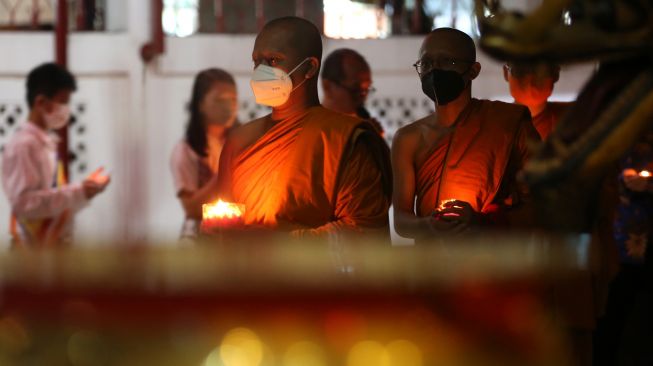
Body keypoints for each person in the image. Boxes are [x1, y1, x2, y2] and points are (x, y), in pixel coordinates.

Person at [216, 16, 391, 238]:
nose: (260, 71)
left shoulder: (344, 139)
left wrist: (280, 245)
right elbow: (222, 217)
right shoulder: (239, 141)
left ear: (309, 67)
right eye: (256, 62)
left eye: (272, 61)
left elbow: (364, 230)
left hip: (313, 272)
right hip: (245, 271)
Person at [392, 28, 539, 242]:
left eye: (446, 62)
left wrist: (484, 223)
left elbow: (541, 203)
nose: (434, 70)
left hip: (490, 264)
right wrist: (429, 225)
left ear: (473, 70)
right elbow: (401, 220)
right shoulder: (407, 139)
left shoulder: (507, 124)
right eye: (426, 63)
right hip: (431, 267)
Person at [1, 62, 110, 247]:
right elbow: (24, 204)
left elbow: (51, 198)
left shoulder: (45, 142)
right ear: (41, 102)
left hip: (51, 247)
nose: (66, 109)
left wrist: (84, 192)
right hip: (31, 253)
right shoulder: (22, 146)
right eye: (63, 101)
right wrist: (77, 192)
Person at [170, 68, 239, 239]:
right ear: (200, 104)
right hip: (200, 240)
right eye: (219, 100)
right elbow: (191, 208)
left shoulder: (241, 142)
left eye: (233, 100)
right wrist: (225, 171)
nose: (228, 107)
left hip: (237, 238)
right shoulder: (186, 150)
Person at [321, 48, 384, 136]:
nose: (363, 98)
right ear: (327, 87)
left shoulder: (361, 129)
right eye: (355, 90)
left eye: (366, 90)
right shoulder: (315, 131)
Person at [503, 61, 571, 139]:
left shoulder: (575, 117)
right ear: (505, 73)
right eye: (520, 71)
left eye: (541, 71)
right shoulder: (493, 123)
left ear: (555, 73)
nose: (530, 79)